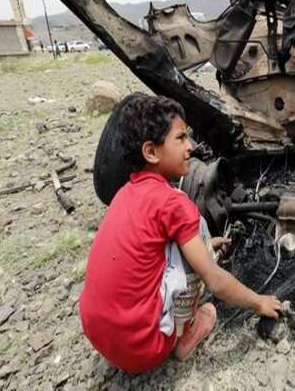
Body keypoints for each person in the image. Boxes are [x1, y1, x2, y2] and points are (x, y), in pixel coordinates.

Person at [79, 94, 282, 373]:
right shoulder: (173, 203)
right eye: (181, 138)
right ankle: (185, 335)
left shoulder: (124, 193)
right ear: (151, 152)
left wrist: (205, 245)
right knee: (198, 234)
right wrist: (259, 302)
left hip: (99, 336)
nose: (191, 146)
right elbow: (215, 281)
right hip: (142, 350)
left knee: (192, 238)